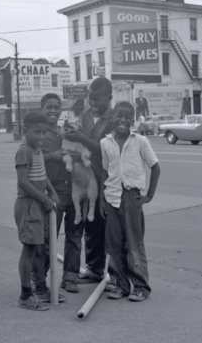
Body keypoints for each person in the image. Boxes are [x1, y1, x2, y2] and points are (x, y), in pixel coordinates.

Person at [100, 101, 161, 301]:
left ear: (133, 121)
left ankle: (141, 287)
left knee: (134, 244)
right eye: (119, 115)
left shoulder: (140, 141)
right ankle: (121, 285)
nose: (123, 120)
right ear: (113, 117)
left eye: (128, 117)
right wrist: (102, 199)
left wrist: (149, 195)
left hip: (132, 199)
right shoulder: (105, 143)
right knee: (114, 244)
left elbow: (155, 167)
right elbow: (104, 171)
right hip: (111, 198)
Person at [63, 77, 115, 286]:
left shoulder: (114, 119)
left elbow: (108, 150)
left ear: (109, 98)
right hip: (85, 176)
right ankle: (94, 269)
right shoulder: (85, 114)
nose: (93, 104)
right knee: (91, 225)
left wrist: (81, 139)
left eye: (97, 100)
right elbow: (79, 143)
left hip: (106, 178)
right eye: (90, 99)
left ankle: (112, 271)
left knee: (106, 226)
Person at [14, 112, 65, 310]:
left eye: (44, 132)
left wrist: (52, 193)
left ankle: (41, 289)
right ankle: (25, 295)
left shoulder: (37, 149)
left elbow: (42, 177)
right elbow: (23, 181)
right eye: (37, 132)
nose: (41, 136)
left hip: (39, 202)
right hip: (28, 204)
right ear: (25, 131)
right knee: (29, 250)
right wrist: (44, 199)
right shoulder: (24, 151)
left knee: (39, 249)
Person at [40, 93, 82, 293]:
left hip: (74, 189)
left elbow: (82, 151)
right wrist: (51, 156)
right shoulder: (39, 133)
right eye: (49, 107)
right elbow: (28, 156)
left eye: (57, 107)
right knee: (49, 238)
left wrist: (78, 155)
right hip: (52, 191)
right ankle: (39, 281)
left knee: (74, 236)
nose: (53, 111)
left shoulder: (67, 131)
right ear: (42, 109)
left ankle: (70, 278)